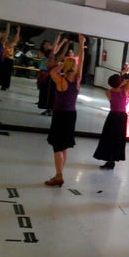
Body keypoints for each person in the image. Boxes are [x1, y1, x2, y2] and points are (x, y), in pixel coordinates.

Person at [44, 34, 85, 187]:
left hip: (60, 115)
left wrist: (61, 64)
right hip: (71, 115)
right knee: (65, 146)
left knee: (57, 146)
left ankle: (59, 175)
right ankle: (58, 174)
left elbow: (51, 72)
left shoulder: (61, 80)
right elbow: (81, 62)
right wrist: (81, 45)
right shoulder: (78, 80)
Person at [93, 59, 129, 169]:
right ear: (120, 82)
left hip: (113, 116)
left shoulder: (108, 92)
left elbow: (117, 84)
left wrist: (121, 81)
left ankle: (109, 160)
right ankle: (112, 160)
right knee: (117, 137)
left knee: (109, 138)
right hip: (122, 117)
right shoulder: (124, 90)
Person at [0, 25, 20, 91]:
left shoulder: (11, 45)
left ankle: (5, 85)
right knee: (3, 73)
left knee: (7, 73)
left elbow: (16, 40)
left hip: (9, 60)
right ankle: (3, 84)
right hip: (4, 59)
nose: (7, 40)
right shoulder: (3, 44)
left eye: (7, 39)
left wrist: (18, 31)